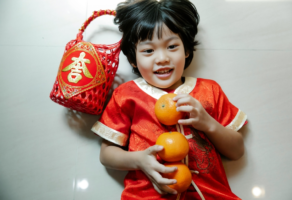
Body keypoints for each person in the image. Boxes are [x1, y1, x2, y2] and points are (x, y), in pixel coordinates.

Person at [91, 0, 247, 199]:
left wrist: (208, 123)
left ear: (187, 50)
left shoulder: (209, 90)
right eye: (148, 50)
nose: (162, 58)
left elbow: (237, 151)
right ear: (133, 59)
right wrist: (139, 160)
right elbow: (106, 155)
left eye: (172, 46)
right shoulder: (126, 94)